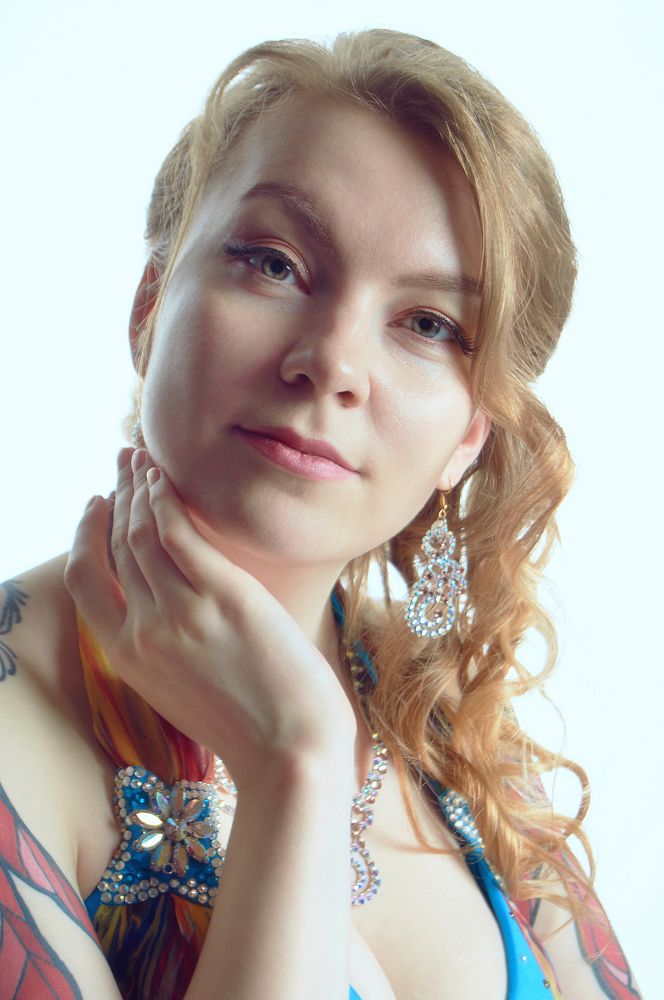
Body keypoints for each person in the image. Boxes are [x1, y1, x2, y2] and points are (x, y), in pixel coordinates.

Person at [0, 28, 640, 1000]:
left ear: (468, 436)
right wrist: (293, 763)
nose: (334, 362)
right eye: (274, 263)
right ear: (149, 305)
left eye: (429, 324)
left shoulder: (457, 732)